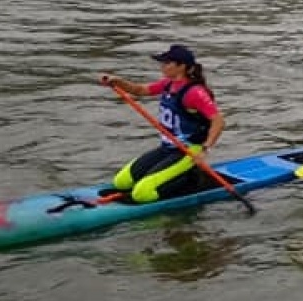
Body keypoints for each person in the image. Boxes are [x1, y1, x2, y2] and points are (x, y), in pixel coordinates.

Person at [96, 45, 226, 203]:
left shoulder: (195, 93)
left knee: (142, 193)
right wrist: (117, 81)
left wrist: (205, 149)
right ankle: (171, 178)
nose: (162, 66)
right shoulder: (168, 84)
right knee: (121, 182)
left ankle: (191, 179)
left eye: (167, 63)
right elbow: (140, 90)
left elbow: (218, 121)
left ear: (182, 66)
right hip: (167, 148)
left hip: (188, 151)